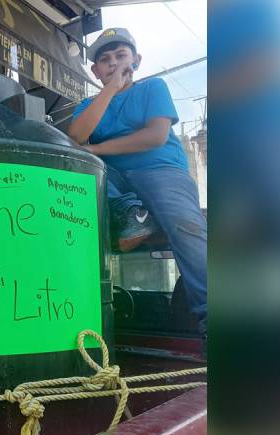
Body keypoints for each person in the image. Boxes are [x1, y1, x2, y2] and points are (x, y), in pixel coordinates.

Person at [67, 28, 207, 334]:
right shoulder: (88, 106)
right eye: (105, 60)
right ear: (95, 71)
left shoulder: (152, 88)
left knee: (186, 227)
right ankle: (134, 212)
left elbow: (155, 136)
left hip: (162, 171)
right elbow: (75, 137)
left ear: (137, 60)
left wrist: (97, 149)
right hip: (114, 182)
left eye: (121, 56)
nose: (114, 64)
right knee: (80, 170)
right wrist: (109, 90)